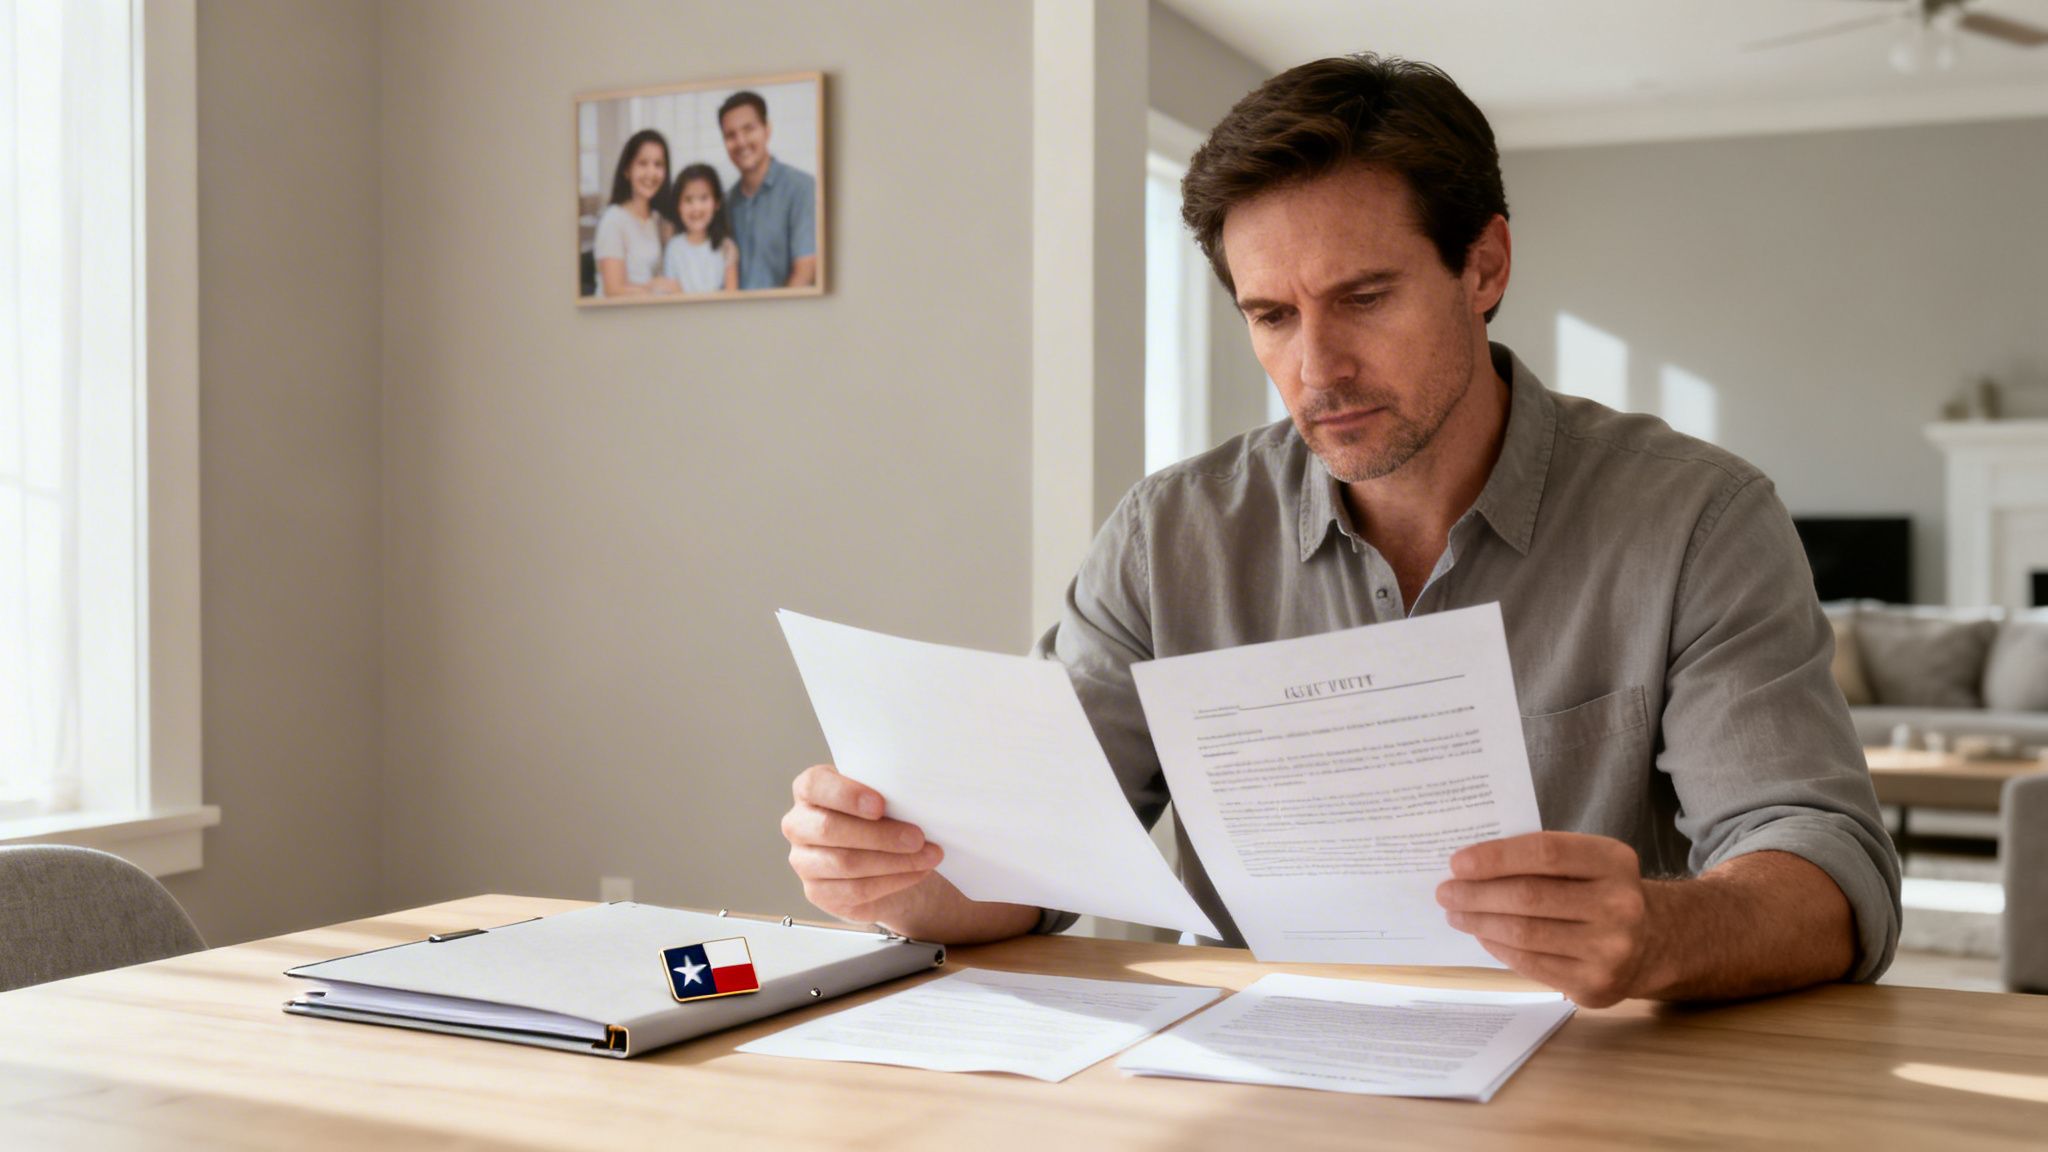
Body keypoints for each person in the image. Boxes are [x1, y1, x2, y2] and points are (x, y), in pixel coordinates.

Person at [779, 55, 1901, 1007]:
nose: (1315, 370)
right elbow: (1028, 867)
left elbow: (1825, 869)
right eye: (1271, 316)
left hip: (1585, 1081)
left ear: (1484, 267)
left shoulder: (1694, 517)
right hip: (1249, 1081)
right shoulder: (1167, 536)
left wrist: (1657, 933)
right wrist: (893, 873)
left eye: (1364, 297)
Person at [717, 90, 817, 290]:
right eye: (731, 135)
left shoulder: (803, 189)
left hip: (786, 318)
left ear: (767, 129)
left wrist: (774, 320)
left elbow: (806, 272)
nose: (741, 142)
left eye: (749, 129)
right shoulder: (725, 203)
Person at [593, 128, 681, 298]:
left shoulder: (657, 219)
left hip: (646, 315)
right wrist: (657, 289)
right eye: (643, 163)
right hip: (617, 317)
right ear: (627, 170)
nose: (651, 172)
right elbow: (613, 290)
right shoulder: (613, 220)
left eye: (658, 164)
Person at [663, 163, 740, 293]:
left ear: (716, 203)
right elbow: (671, 296)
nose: (696, 208)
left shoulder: (727, 247)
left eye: (704, 198)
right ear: (678, 207)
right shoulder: (673, 248)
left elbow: (731, 297)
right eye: (688, 200)